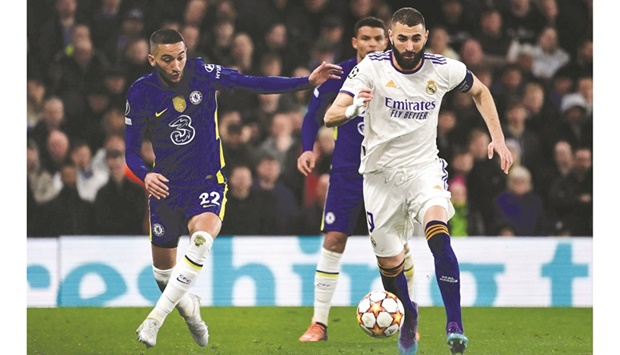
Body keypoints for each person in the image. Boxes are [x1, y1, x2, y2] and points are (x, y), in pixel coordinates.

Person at [125, 28, 342, 348]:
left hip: (207, 182)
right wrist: (145, 174)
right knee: (162, 276)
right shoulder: (140, 92)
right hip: (167, 187)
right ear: (152, 59)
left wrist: (305, 82)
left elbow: (253, 82)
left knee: (201, 239)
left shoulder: (201, 72)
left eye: (181, 56)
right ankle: (190, 310)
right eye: (168, 59)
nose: (176, 65)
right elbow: (131, 150)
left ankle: (154, 320)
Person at [324, 7, 513, 354]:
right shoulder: (371, 68)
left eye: (415, 38)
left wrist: (498, 138)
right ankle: (408, 316)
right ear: (391, 38)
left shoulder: (444, 69)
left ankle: (454, 325)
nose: (409, 46)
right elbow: (330, 114)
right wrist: (352, 109)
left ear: (425, 37)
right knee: (390, 264)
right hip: (379, 178)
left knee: (438, 236)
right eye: (402, 38)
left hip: (423, 169)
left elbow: (481, 91)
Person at [296, 16, 417, 343]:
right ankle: (318, 324)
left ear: (388, 40)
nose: (373, 44)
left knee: (395, 250)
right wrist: (308, 149)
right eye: (366, 38)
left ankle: (409, 320)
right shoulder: (339, 74)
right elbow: (312, 115)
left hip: (389, 174)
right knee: (334, 240)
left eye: (379, 38)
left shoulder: (405, 74)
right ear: (355, 42)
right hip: (347, 173)